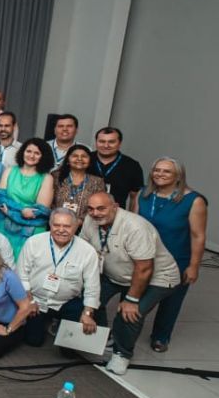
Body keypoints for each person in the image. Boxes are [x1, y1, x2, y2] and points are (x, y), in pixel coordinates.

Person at [81, 192, 182, 375]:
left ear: (115, 207)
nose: (95, 213)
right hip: (118, 273)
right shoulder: (91, 220)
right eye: (91, 209)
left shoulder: (135, 227)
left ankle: (122, 354)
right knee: (91, 299)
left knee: (129, 313)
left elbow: (144, 268)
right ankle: (105, 338)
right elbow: (84, 249)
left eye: (101, 208)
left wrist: (131, 299)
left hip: (156, 277)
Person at [137, 158, 207, 352]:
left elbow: (198, 236)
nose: (160, 174)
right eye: (156, 170)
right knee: (136, 297)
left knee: (171, 302)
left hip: (176, 258)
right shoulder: (143, 194)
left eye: (166, 171)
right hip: (144, 256)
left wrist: (194, 266)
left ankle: (161, 337)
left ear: (178, 176)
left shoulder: (194, 200)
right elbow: (133, 224)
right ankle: (126, 332)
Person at [15, 208, 102, 347]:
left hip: (67, 302)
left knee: (69, 348)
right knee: (33, 341)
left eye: (67, 226)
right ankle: (47, 322)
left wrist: (87, 313)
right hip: (37, 300)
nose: (61, 230)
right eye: (56, 225)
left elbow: (93, 287)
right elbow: (21, 275)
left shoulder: (87, 251)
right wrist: (29, 300)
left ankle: (60, 323)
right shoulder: (33, 242)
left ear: (76, 227)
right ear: (50, 225)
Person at [0, 138, 55, 257]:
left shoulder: (47, 178)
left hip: (30, 230)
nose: (31, 155)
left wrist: (10, 212)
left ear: (43, 156)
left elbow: (40, 211)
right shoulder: (9, 170)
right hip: (4, 226)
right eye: (28, 151)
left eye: (37, 153)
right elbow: (0, 198)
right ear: (23, 152)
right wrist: (22, 211)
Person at [88, 126, 145, 209]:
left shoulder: (132, 165)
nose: (106, 145)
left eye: (111, 142)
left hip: (116, 213)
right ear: (96, 142)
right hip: (85, 212)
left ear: (119, 143)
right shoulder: (84, 160)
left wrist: (130, 215)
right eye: (102, 141)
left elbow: (135, 197)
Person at [52, 143, 105, 222]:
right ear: (68, 160)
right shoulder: (55, 177)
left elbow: (98, 206)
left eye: (84, 156)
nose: (79, 159)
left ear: (90, 161)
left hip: (85, 225)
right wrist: (57, 218)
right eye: (75, 156)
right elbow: (49, 203)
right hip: (56, 222)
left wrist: (80, 221)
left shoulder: (97, 181)